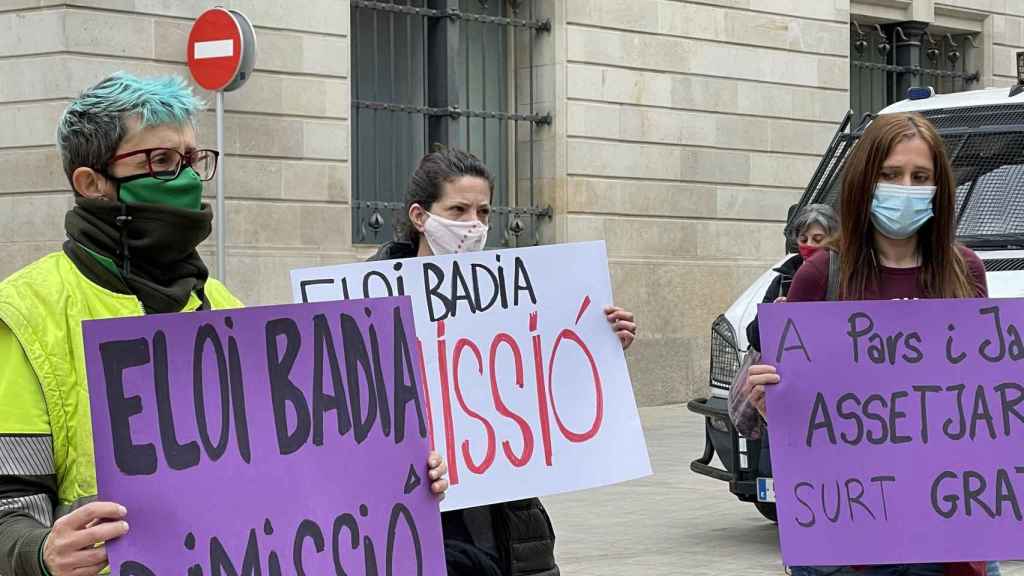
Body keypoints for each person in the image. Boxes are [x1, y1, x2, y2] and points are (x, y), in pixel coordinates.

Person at [0, 73, 449, 576]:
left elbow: (294, 476)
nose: (189, 178)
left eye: (192, 159)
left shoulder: (227, 310)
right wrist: (40, 553)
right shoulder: (25, 315)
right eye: (162, 162)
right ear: (91, 183)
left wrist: (395, 471)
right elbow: (7, 509)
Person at [745, 112, 995, 576]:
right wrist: (771, 403)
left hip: (948, 536)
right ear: (865, 181)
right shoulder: (821, 274)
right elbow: (800, 405)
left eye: (920, 177)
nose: (906, 187)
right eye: (891, 174)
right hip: (848, 538)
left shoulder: (966, 271)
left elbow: (980, 399)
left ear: (939, 187)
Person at [371, 147, 639, 576]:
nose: (472, 225)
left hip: (502, 522)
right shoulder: (366, 301)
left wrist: (601, 346)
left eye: (482, 211)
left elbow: (546, 387)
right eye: (457, 210)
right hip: (415, 514)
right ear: (420, 216)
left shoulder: (512, 296)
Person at [731, 203, 838, 440]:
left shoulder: (844, 277)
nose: (809, 244)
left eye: (817, 238)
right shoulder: (783, 278)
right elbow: (754, 337)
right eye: (804, 238)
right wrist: (772, 316)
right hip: (786, 393)